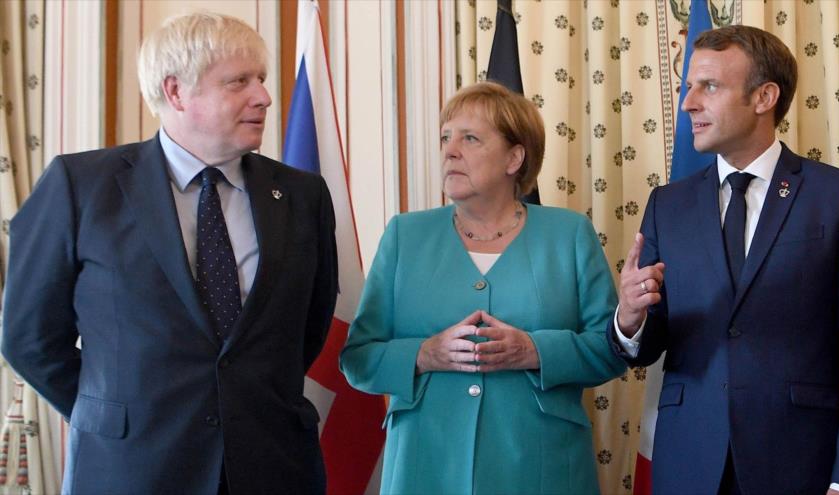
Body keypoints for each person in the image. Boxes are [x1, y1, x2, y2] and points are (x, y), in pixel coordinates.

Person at [1, 12, 337, 494]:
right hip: (132, 468)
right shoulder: (80, 187)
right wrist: (119, 412)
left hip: (273, 465)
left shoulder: (303, 195)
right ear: (176, 92)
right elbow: (29, 340)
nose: (263, 96)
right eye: (239, 81)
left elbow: (308, 327)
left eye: (261, 79)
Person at [608, 25, 839, 494]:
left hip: (802, 464)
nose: (689, 103)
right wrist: (630, 318)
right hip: (688, 463)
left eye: (708, 86)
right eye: (688, 87)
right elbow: (648, 345)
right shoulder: (665, 206)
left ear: (764, 97)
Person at [340, 81, 625, 494]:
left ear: (514, 158)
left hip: (540, 465)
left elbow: (610, 350)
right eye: (445, 137)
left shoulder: (569, 235)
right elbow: (358, 359)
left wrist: (533, 350)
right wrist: (424, 354)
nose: (450, 150)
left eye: (470, 138)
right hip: (426, 466)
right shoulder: (405, 235)